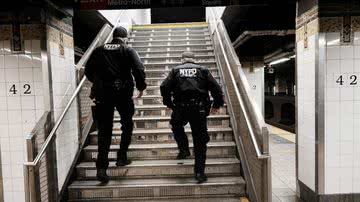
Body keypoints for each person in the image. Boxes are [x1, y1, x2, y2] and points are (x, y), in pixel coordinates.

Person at [85, 26, 147, 183]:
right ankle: (121, 157)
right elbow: (139, 69)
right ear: (125, 38)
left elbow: (88, 70)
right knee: (127, 124)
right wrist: (141, 87)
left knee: (104, 131)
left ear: (113, 37)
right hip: (123, 93)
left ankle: (101, 169)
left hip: (103, 95)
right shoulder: (128, 50)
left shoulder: (99, 50)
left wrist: (99, 83)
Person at [160, 51, 224, 183]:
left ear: (182, 60)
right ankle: (199, 173)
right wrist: (217, 105)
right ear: (194, 60)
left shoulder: (175, 70)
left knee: (176, 125)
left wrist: (169, 103)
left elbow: (164, 86)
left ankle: (184, 149)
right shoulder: (203, 70)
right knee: (199, 140)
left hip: (181, 108)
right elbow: (217, 88)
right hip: (199, 109)